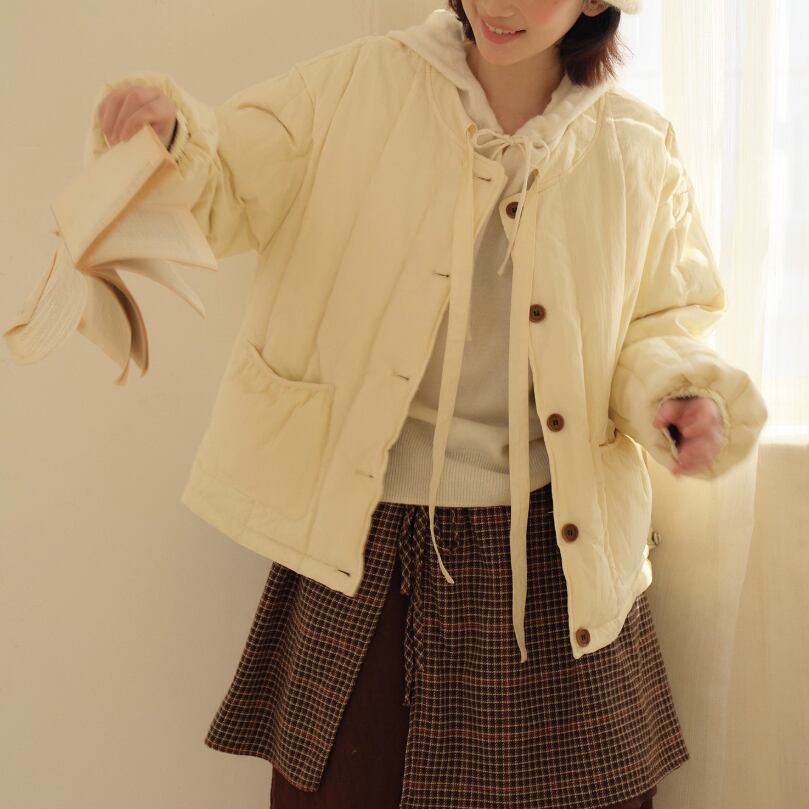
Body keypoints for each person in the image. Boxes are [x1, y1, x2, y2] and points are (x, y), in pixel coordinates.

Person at [90, 1, 768, 807]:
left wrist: (677, 394)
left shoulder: (635, 146)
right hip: (369, 542)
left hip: (559, 550)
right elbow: (227, 182)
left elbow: (660, 320)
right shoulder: (356, 84)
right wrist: (171, 137)